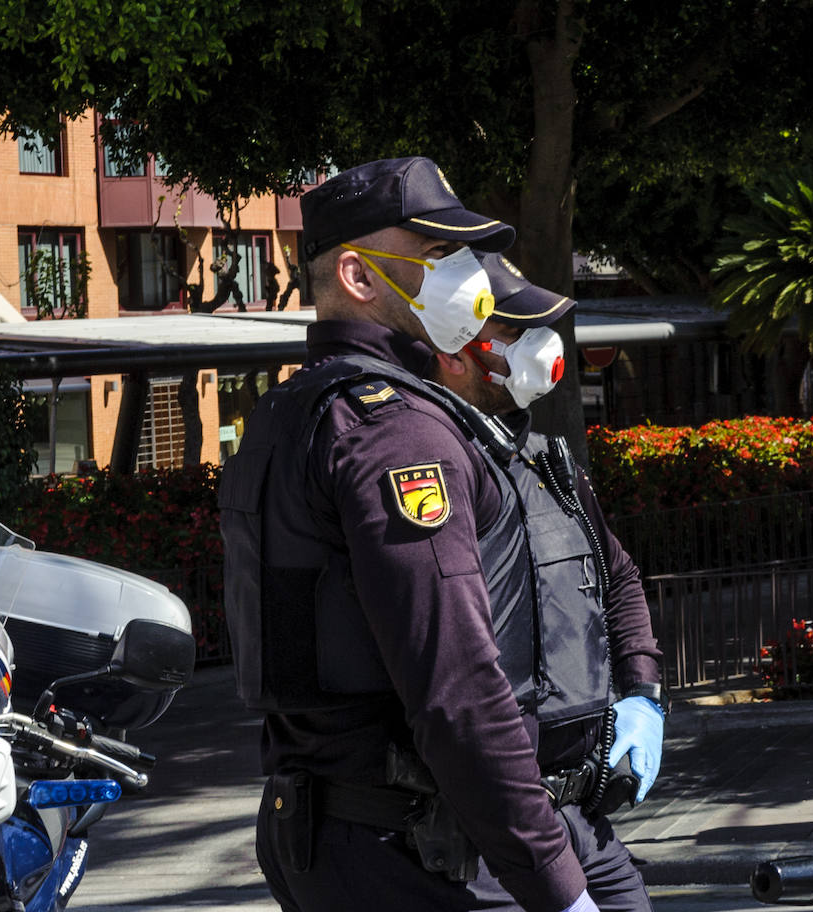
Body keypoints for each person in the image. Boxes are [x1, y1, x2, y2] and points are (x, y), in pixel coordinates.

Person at [218, 157, 596, 912]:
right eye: (433, 257)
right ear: (358, 277)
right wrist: (557, 885)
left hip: (334, 833)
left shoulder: (290, 410)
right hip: (420, 851)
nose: (467, 280)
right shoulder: (397, 431)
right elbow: (456, 689)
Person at [427, 253, 667, 912]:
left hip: (581, 819)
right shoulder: (438, 472)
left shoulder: (545, 466)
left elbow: (616, 574)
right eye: (514, 329)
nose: (542, 346)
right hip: (489, 832)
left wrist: (641, 693)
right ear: (454, 350)